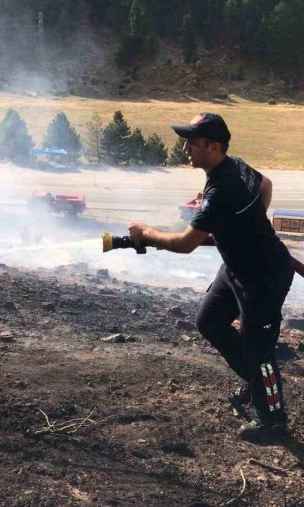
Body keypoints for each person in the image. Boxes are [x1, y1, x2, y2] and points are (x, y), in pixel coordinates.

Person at [126, 113, 294, 442]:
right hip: (237, 268)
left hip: (264, 275)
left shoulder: (221, 188)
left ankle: (273, 421)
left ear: (214, 147)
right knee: (209, 321)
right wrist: (247, 227)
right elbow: (266, 185)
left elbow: (186, 243)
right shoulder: (232, 166)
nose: (185, 147)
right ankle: (256, 381)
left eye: (192, 142)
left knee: (259, 349)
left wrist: (145, 232)